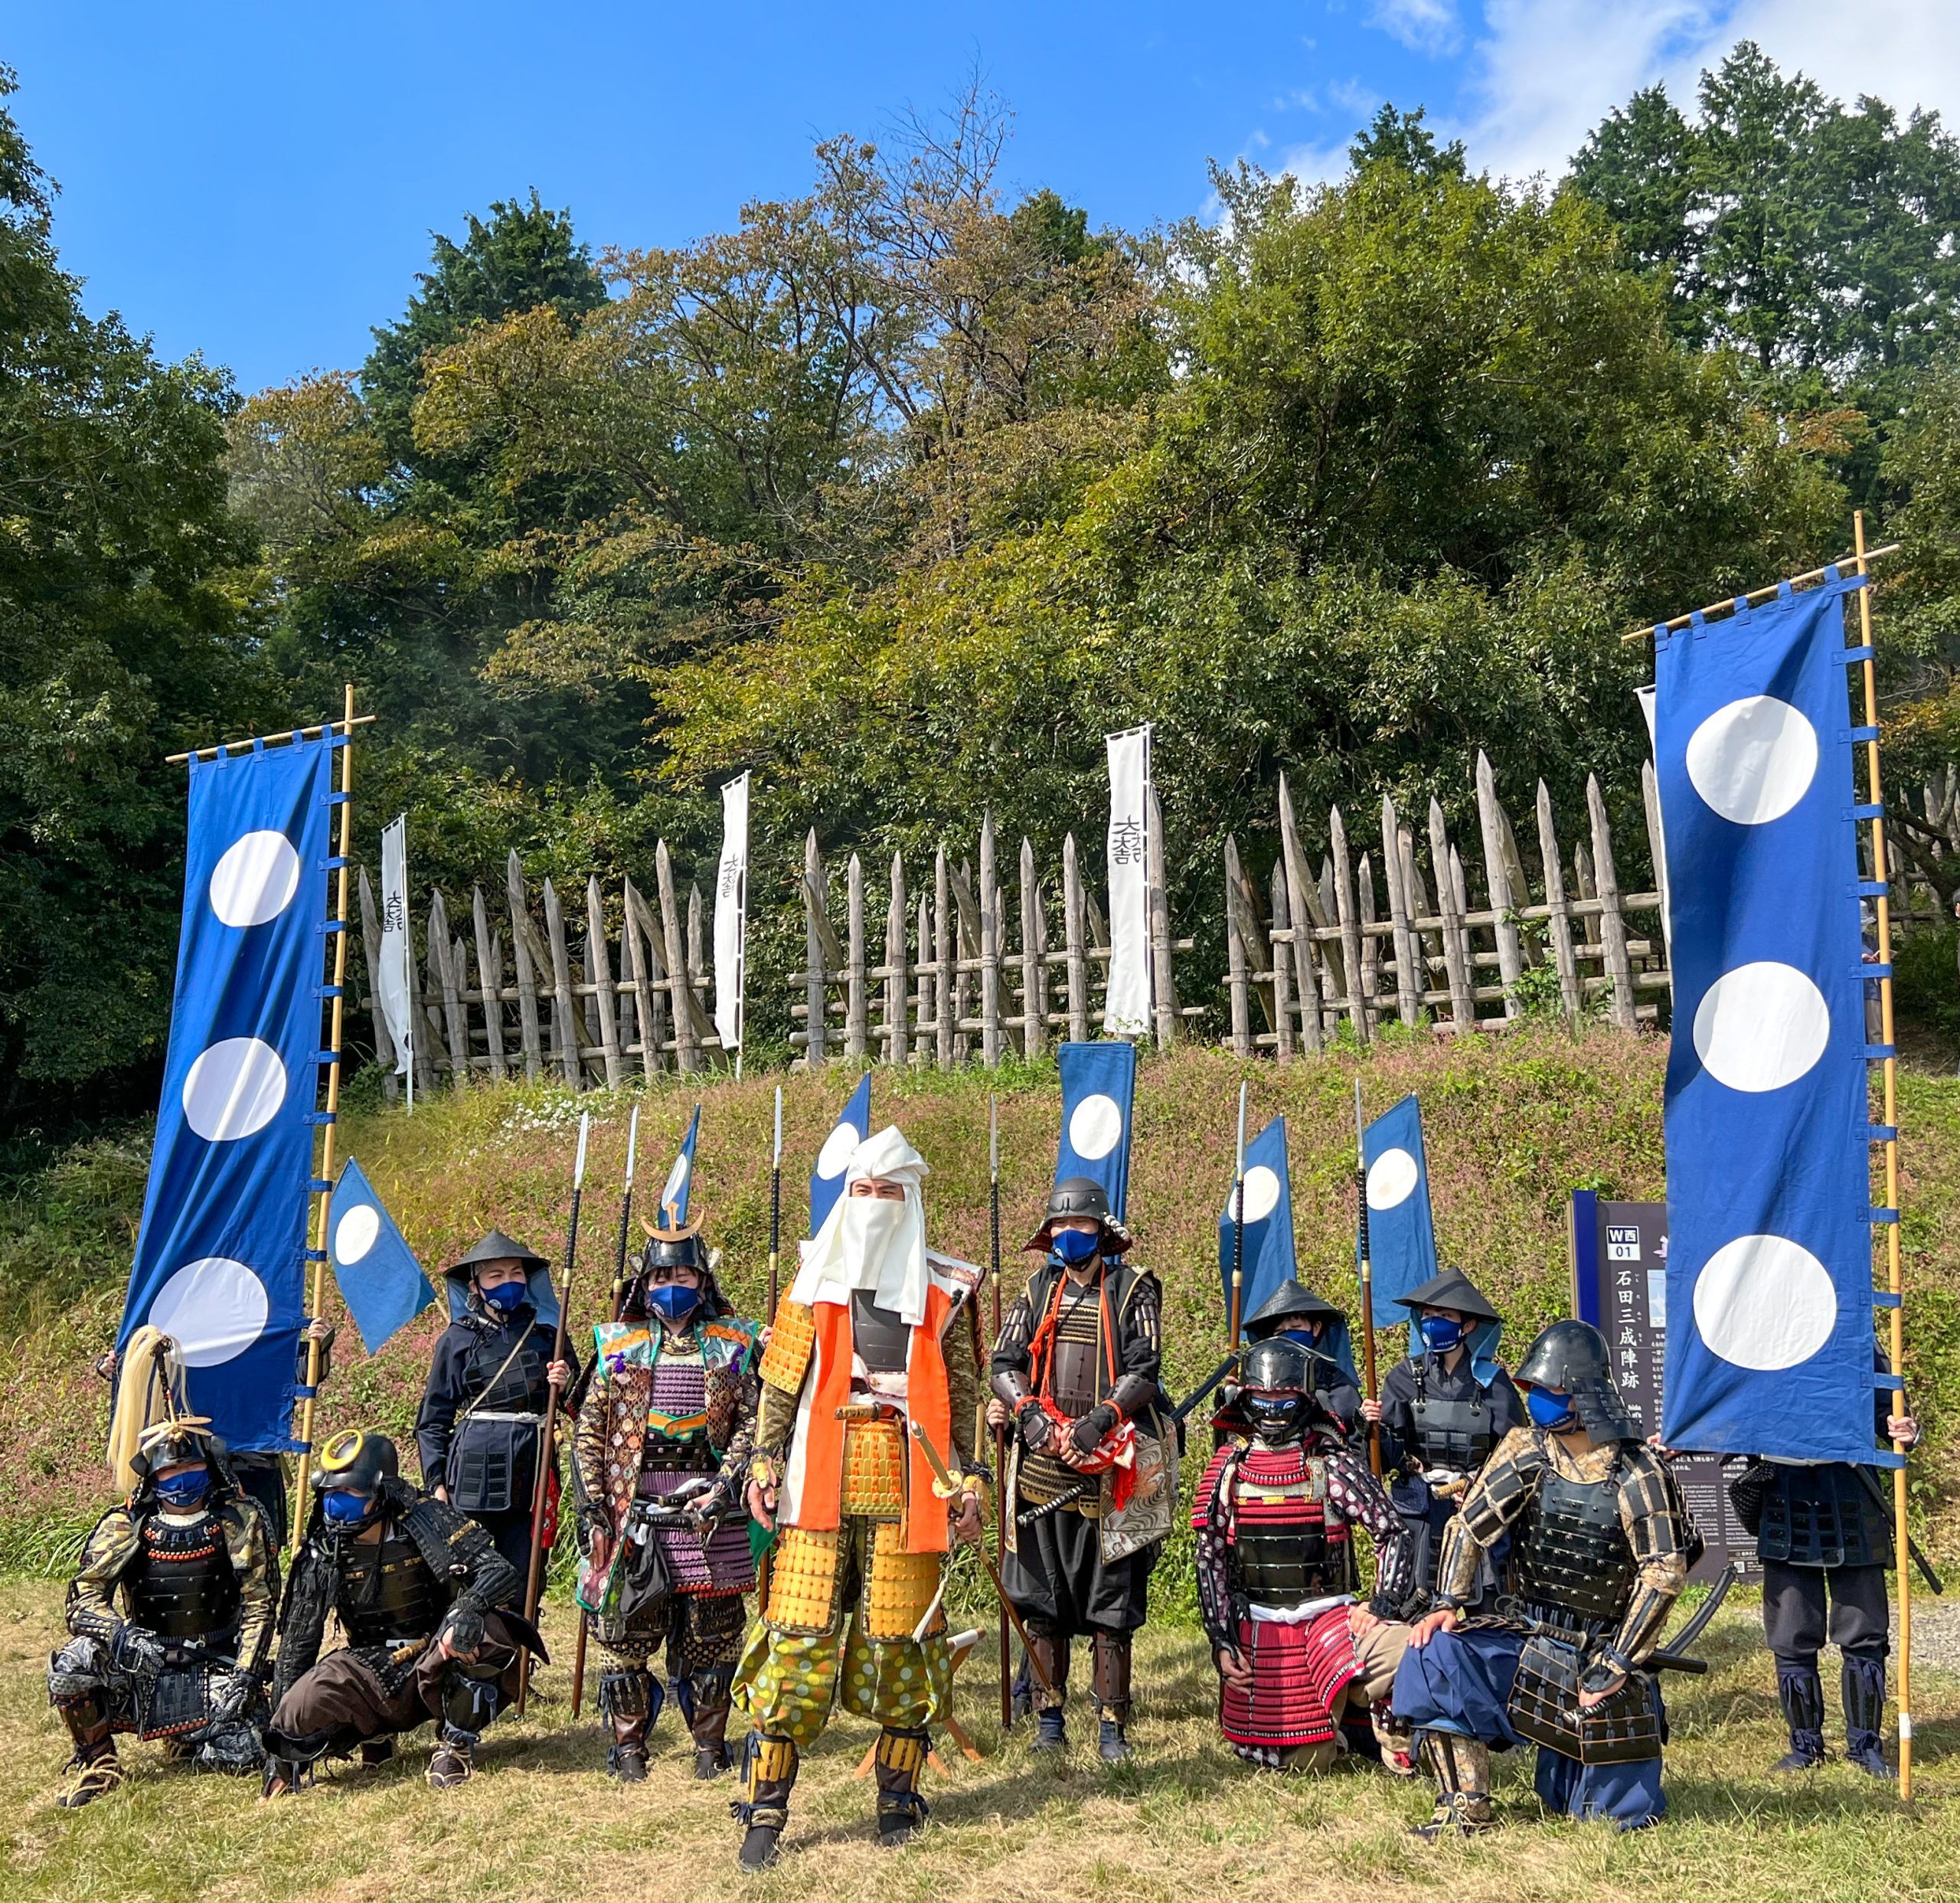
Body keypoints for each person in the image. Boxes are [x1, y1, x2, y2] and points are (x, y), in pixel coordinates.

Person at [730, 1126, 985, 1869]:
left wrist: (971, 1479)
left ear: (910, 1200)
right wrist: (762, 1460)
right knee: (796, 1646)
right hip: (816, 1479)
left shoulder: (945, 1288)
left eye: (887, 1193)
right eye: (863, 1191)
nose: (874, 1205)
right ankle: (766, 1812)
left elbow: (964, 1392)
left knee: (902, 1652)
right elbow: (778, 1385)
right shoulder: (812, 1279)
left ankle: (897, 1800)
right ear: (849, 1196)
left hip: (912, 1481)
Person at [1393, 1320, 1694, 1836]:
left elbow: (1664, 1569)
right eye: (1535, 1390)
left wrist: (1619, 1661)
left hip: (1597, 1652)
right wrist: (1447, 1599)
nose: (1538, 1401)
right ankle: (1464, 1806)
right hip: (1527, 1637)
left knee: (1602, 1817)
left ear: (1583, 1392)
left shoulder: (1639, 1471)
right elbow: (1470, 1524)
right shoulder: (1526, 1449)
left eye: (1550, 1391)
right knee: (1434, 1654)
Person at [990, 1175, 1172, 1764]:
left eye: (1082, 1225)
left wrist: (1098, 1421)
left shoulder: (1132, 1288)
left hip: (1111, 1460)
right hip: (1045, 1461)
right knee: (1042, 1597)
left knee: (1109, 1599)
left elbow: (1145, 1368)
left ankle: (1112, 1725)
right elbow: (1004, 1360)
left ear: (1102, 1230)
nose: (1071, 1234)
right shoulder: (1038, 1288)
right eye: (1062, 1227)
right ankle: (1048, 1719)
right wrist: (1032, 1417)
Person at [573, 1217, 761, 1782]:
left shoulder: (734, 1343)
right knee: (624, 1633)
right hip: (635, 1512)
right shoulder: (617, 1344)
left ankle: (710, 1741)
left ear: (703, 1281)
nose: (671, 1285)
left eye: (682, 1273)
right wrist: (593, 1506)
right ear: (644, 1283)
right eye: (660, 1275)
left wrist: (727, 1482)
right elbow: (590, 1431)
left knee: (715, 1631)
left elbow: (754, 1423)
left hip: (708, 1512)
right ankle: (629, 1744)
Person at [262, 1429, 543, 1793]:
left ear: (380, 1491)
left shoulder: (427, 1519)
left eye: (349, 1491)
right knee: (300, 1703)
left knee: (490, 1633)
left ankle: (455, 1746)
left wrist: (467, 1611)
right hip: (369, 1665)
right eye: (331, 1492)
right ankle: (372, 1736)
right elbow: (296, 1649)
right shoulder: (322, 1551)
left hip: (439, 1652)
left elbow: (499, 1570)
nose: (336, 1502)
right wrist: (279, 1756)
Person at [1192, 1336, 1417, 1772]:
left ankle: (1388, 1723)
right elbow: (1211, 1559)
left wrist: (1383, 1602)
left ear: (1304, 1397)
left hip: (1331, 1620)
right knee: (1307, 1760)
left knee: (1415, 1650)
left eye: (1284, 1394)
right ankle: (1342, 1727)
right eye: (1264, 1395)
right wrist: (1221, 1641)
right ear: (1247, 1396)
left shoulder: (1332, 1461)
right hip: (1260, 1630)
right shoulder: (1228, 1469)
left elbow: (1392, 1532)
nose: (1274, 1405)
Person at [47, 1418, 276, 1807]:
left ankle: (190, 1736)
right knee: (73, 1662)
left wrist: (246, 1674)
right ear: (153, 1476)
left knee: (245, 1752)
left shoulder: (239, 1519)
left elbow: (259, 1605)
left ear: (209, 1466)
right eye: (171, 1469)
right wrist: (120, 1635)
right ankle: (100, 1763)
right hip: (144, 1666)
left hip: (214, 1663)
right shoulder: (125, 1525)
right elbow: (83, 1597)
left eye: (191, 1466)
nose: (182, 1478)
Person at [1736, 1351, 1919, 1776]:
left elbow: (1887, 1415)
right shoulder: (1755, 1337)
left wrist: (1903, 1428)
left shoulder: (1855, 1339)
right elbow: (1727, 1403)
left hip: (1851, 1486)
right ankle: (1805, 1745)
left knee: (1864, 1628)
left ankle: (1865, 1744)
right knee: (1791, 1629)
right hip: (1784, 1488)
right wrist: (1685, 1435)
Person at [416, 1230, 577, 1579]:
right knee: (470, 1579)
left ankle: (521, 1632)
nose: (509, 1281)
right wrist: (436, 1483)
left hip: (533, 1469)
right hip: (473, 1474)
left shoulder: (549, 1334)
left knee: (526, 1577)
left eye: (516, 1273)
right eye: (496, 1275)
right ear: (475, 1286)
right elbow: (433, 1419)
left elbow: (583, 1404)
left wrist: (565, 1385)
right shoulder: (457, 1339)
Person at [93, 1317, 335, 1550]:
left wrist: (319, 1347)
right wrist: (120, 1368)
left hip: (251, 1464)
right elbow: (149, 1376)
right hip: (186, 1463)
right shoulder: (182, 1331)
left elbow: (301, 1373)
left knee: (255, 1552)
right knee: (179, 1552)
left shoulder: (261, 1336)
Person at [1361, 1267, 1524, 1609]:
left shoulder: (1493, 1383)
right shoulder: (1404, 1377)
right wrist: (1370, 1428)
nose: (1434, 1322)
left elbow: (1515, 1454)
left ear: (1468, 1325)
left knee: (1486, 1611)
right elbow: (1387, 1456)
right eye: (1428, 1315)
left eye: (1445, 1316)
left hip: (1476, 1509)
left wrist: (1482, 1491)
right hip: (1419, 1511)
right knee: (1411, 1612)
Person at [1240, 1281, 1363, 1431]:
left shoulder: (1337, 1385)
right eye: (1280, 1332)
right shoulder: (1257, 1383)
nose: (1288, 1336)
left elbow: (1354, 1437)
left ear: (1316, 1328)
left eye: (1296, 1328)